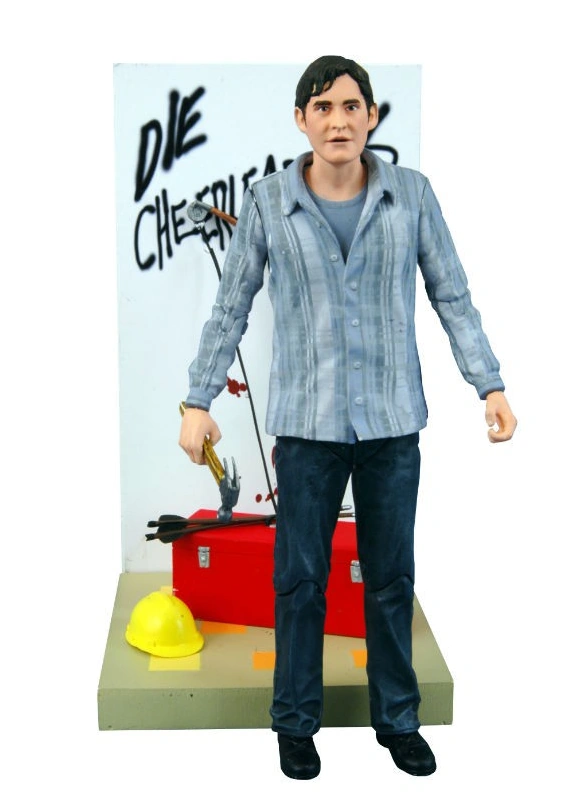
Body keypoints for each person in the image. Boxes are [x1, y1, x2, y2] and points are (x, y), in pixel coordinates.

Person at [179, 55, 517, 780]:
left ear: (372, 116)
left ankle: (398, 719)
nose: (338, 120)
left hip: (392, 424)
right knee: (299, 580)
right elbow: (231, 306)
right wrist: (199, 399)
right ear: (301, 120)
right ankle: (294, 723)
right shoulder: (268, 203)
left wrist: (488, 384)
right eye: (323, 107)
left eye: (351, 106)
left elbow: (451, 294)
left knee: (390, 578)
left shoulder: (412, 195)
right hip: (308, 428)